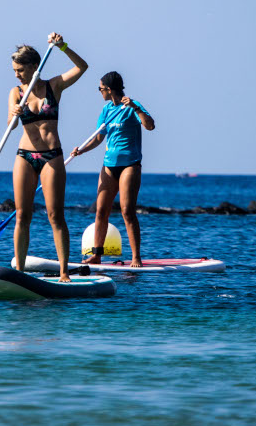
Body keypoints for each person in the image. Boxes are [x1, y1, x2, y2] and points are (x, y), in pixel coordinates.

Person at [10, 33, 88, 281]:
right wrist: (14, 112)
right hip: (24, 156)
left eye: (20, 70)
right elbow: (10, 126)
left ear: (34, 67)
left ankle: (64, 271)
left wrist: (63, 46)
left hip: (51, 157)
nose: (16, 74)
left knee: (55, 215)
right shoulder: (15, 92)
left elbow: (82, 67)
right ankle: (19, 272)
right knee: (22, 215)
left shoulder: (54, 86)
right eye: (14, 70)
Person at [71, 71, 155, 267]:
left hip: (130, 165)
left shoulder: (131, 106)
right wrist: (81, 150)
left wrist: (135, 107)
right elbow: (99, 137)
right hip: (109, 166)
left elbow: (150, 126)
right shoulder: (106, 109)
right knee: (101, 211)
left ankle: (136, 257)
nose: (99, 92)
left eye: (100, 89)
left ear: (109, 89)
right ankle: (96, 254)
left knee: (127, 211)